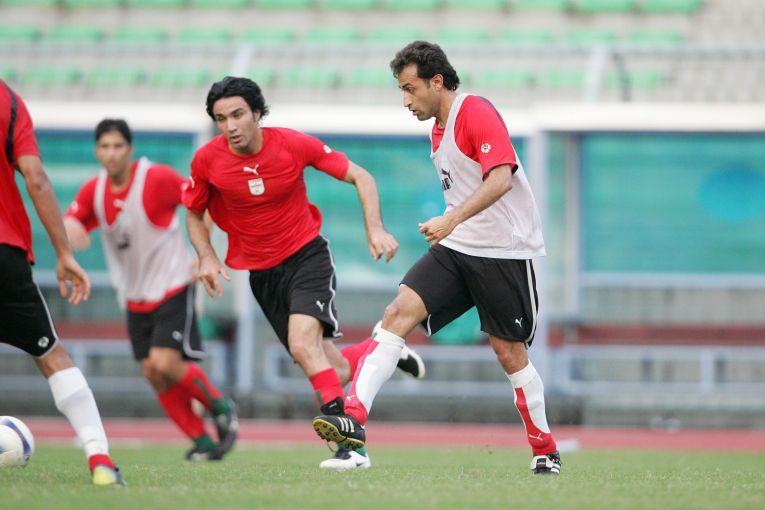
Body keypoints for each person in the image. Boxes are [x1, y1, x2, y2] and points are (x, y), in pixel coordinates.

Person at [312, 41, 562, 475]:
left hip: (503, 252)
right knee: (396, 314)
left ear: (437, 81)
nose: (406, 101)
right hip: (458, 246)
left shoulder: (475, 112)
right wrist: (451, 226)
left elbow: (501, 179)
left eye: (410, 89)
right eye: (401, 91)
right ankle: (352, 424)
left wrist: (450, 220)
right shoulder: (437, 130)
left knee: (510, 355)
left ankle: (545, 450)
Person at [183, 76, 426, 471]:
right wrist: (207, 255)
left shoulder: (292, 144)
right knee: (335, 369)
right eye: (221, 118)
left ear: (257, 113)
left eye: (238, 115)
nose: (230, 126)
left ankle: (351, 448)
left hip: (306, 257)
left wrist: (375, 228)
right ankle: (381, 350)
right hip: (262, 274)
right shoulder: (207, 160)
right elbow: (194, 213)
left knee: (301, 344)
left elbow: (361, 176)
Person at [63, 119, 238, 462]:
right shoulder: (94, 191)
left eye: (118, 146)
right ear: (96, 151)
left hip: (172, 284)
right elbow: (70, 221)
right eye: (104, 146)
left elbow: (201, 201)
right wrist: (70, 230)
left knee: (164, 362)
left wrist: (203, 252)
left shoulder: (155, 178)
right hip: (133, 295)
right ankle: (202, 441)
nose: (111, 153)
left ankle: (221, 405)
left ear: (129, 149)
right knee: (152, 372)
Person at [0, 82, 124, 485]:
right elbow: (35, 178)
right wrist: (64, 253)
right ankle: (100, 460)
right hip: (4, 250)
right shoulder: (7, 101)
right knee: (52, 356)